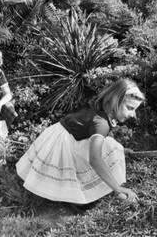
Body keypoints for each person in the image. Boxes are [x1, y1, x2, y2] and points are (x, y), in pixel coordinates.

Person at [16, 78, 145, 206]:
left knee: (113, 145)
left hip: (66, 135)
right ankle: (76, 196)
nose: (133, 114)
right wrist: (118, 189)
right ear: (115, 101)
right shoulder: (100, 123)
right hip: (60, 144)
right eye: (129, 108)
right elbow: (95, 159)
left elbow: (107, 135)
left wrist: (121, 150)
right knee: (104, 150)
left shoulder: (104, 113)